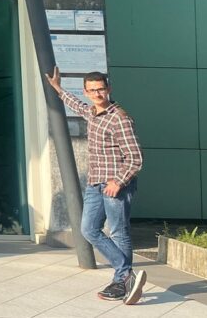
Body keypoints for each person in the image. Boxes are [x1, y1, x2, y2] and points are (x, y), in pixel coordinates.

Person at [46, 67, 146, 304]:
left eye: (100, 89)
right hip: (95, 184)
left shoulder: (120, 118)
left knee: (119, 232)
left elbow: (135, 158)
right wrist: (58, 88)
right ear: (86, 92)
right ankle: (126, 274)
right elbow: (76, 105)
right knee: (89, 229)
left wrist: (118, 182)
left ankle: (122, 281)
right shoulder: (92, 112)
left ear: (108, 89)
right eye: (92, 90)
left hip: (115, 186)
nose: (97, 94)